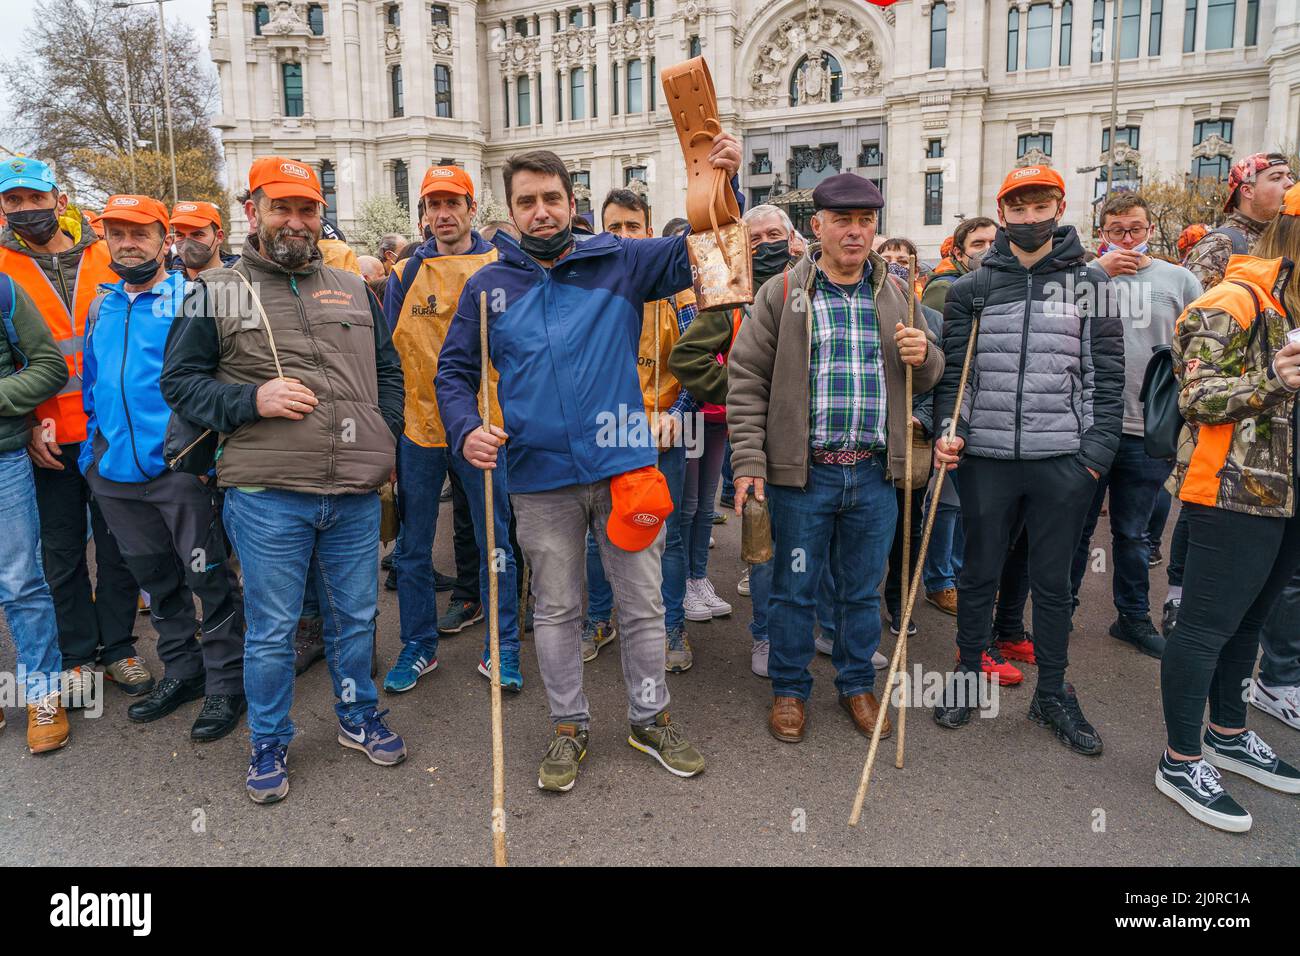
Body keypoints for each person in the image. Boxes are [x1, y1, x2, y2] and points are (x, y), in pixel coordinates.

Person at [437, 139, 743, 793]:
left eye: (552, 198)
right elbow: (454, 372)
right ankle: (569, 726)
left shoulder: (622, 261)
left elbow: (714, 248)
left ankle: (650, 717)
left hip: (625, 464)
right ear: (512, 210)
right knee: (556, 611)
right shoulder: (488, 287)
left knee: (638, 606)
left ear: (571, 203)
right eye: (527, 201)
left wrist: (722, 182)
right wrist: (466, 429)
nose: (541, 211)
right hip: (540, 477)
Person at [161, 156, 407, 804]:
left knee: (355, 618)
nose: (295, 221)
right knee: (271, 630)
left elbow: (388, 370)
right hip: (267, 497)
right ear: (252, 212)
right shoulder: (216, 290)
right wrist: (252, 401)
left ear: (321, 215)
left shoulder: (354, 288)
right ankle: (268, 740)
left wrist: (385, 437)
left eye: (307, 209)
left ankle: (357, 716)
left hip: (352, 495)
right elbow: (179, 384)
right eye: (282, 208)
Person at [728, 172, 943, 743]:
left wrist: (924, 357)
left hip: (874, 475)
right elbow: (745, 380)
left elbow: (927, 374)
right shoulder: (781, 294)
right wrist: (749, 464)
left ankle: (855, 685)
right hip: (804, 477)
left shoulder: (898, 294)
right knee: (793, 590)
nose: (855, 231)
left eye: (865, 221)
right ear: (815, 226)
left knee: (860, 591)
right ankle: (790, 690)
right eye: (842, 220)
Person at [931, 165, 1123, 753]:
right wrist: (948, 430)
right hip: (986, 456)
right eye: (1019, 208)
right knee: (978, 572)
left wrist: (1092, 457)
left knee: (1054, 583)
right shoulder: (972, 288)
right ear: (1004, 211)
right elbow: (955, 382)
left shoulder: (1091, 283)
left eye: (1041, 206)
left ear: (1059, 207)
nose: (1031, 218)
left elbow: (1106, 380)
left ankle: (1053, 694)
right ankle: (967, 674)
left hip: (1060, 459)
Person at [1154, 183, 1300, 833]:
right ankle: (1182, 758)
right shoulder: (1233, 299)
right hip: (1231, 492)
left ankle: (1230, 733)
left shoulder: (1290, 307)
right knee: (1206, 628)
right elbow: (1199, 398)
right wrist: (1276, 380)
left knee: (1250, 624)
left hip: (1286, 494)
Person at [80, 195, 246, 741]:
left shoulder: (192, 299)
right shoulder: (102, 306)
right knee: (158, 582)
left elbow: (212, 382)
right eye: (117, 233)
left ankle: (226, 684)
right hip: (116, 479)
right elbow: (93, 386)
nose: (129, 243)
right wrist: (92, 457)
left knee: (208, 579)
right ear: (105, 239)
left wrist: (202, 462)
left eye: (141, 233)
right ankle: (183, 672)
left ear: (163, 239)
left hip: (179, 474)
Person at [0, 157, 149, 701]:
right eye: (13, 201)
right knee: (60, 553)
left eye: (34, 199)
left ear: (59, 202)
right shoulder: (1, 267)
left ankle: (119, 648)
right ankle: (78, 655)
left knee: (119, 547)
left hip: (112, 431)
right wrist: (32, 418)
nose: (25, 210)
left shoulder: (107, 255)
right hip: (47, 437)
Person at [382, 164, 520, 693]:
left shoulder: (499, 264)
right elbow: (388, 357)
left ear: (471, 209)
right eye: (432, 205)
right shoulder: (403, 275)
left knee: (495, 539)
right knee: (414, 545)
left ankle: (501, 646)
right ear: (423, 215)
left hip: (486, 427)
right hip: (419, 429)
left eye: (452, 203)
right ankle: (418, 645)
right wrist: (388, 429)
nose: (442, 214)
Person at [1069, 193, 1202, 657]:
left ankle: (1132, 617)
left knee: (1133, 532)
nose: (1127, 240)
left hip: (1148, 428)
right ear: (1101, 232)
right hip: (1089, 425)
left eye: (1136, 229)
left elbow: (1199, 344)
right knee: (1075, 528)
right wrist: (1095, 274)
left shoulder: (1178, 278)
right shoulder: (1085, 277)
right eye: (1116, 231)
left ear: (1150, 229)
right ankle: (1060, 611)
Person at [582, 188, 698, 671]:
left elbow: (702, 359)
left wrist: (678, 414)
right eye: (614, 228)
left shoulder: (680, 291)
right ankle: (598, 618)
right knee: (599, 534)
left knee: (663, 533)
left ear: (649, 232)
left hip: (667, 431)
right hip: (607, 431)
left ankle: (671, 627)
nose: (624, 236)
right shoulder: (589, 287)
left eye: (633, 227)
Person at [0, 273, 73, 751]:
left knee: (20, 580)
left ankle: (44, 693)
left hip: (3, 458)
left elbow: (49, 366)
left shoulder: (3, 289)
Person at [1183, 153, 1292, 291]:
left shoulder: (1282, 239)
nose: (1290, 184)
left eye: (1289, 176)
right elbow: (1198, 308)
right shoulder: (1219, 244)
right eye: (1276, 178)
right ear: (1247, 191)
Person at [170, 201, 233, 279]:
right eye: (180, 235)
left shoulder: (243, 281)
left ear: (219, 237)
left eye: (197, 235)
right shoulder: (163, 286)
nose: (187, 245)